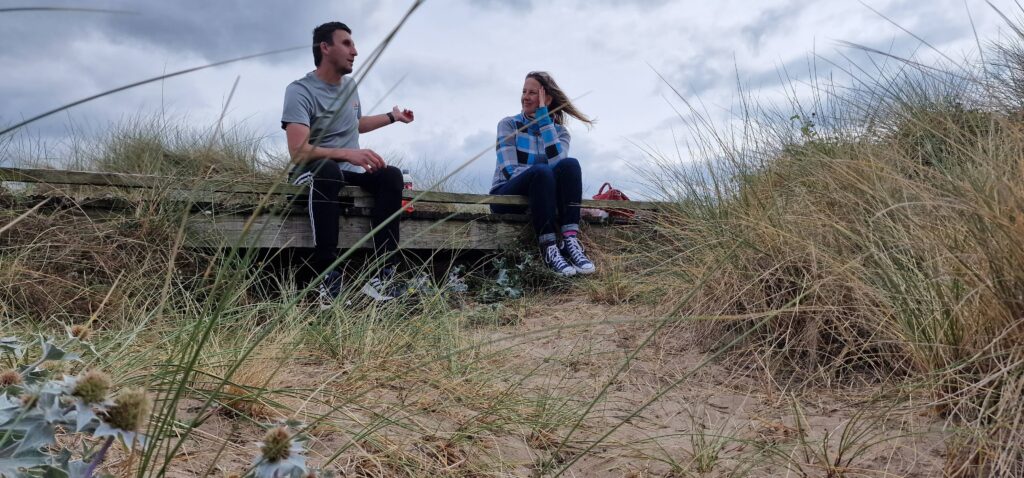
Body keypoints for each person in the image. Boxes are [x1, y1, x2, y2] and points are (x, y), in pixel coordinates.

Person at [281, 21, 414, 303]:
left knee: (390, 176)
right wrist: (347, 154)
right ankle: (327, 275)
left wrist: (392, 118)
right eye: (347, 43)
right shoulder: (300, 91)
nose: (355, 51)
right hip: (313, 172)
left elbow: (355, 125)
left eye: (353, 44)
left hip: (346, 172)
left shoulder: (350, 86)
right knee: (330, 172)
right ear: (325, 48)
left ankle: (384, 275)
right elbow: (298, 151)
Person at [490, 71, 596, 276]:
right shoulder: (509, 124)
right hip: (505, 195)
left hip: (542, 199)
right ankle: (548, 247)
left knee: (570, 165)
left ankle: (569, 240)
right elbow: (510, 170)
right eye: (524, 91)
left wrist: (545, 121)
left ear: (546, 99)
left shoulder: (561, 133)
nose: (525, 97)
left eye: (532, 93)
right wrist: (544, 177)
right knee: (543, 171)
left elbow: (560, 164)